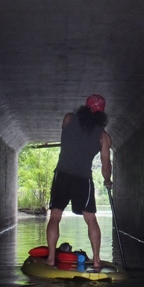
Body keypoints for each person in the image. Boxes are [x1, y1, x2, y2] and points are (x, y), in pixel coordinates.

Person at [46, 94, 112, 269]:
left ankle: (51, 259)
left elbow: (69, 138)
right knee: (90, 218)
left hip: (62, 175)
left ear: (85, 107)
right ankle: (97, 260)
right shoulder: (103, 137)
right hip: (83, 179)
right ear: (102, 114)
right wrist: (107, 180)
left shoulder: (69, 119)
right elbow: (106, 165)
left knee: (55, 216)